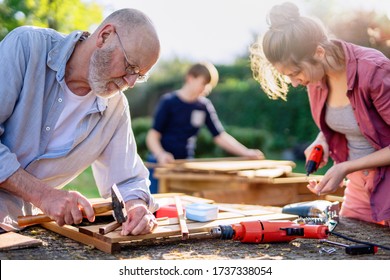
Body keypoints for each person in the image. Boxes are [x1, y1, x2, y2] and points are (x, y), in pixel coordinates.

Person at [0, 8, 161, 235]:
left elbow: (127, 179)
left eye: (140, 75)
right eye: (130, 66)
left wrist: (136, 205)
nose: (131, 82)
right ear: (105, 36)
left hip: (17, 229)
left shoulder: (115, 108)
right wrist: (43, 195)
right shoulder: (27, 47)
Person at [250, 2, 390, 225]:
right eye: (288, 77)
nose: (295, 83)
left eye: (295, 73)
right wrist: (321, 141)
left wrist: (344, 167)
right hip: (357, 189)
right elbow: (348, 120)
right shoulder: (315, 76)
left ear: (319, 52)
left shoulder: (374, 71)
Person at [146, 62, 264, 192]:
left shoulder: (203, 106)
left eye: (209, 85)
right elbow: (152, 136)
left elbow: (219, 136)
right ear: (190, 78)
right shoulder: (168, 102)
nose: (206, 89)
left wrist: (246, 152)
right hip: (161, 164)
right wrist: (160, 154)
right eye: (204, 83)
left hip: (185, 165)